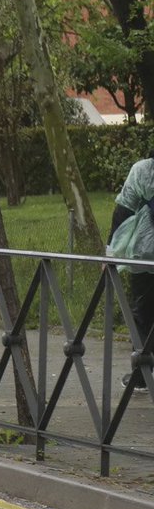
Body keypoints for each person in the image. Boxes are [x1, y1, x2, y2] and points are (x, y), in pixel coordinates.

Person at [106, 149, 154, 393]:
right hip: (145, 259)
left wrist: (110, 252)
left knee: (143, 315)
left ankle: (143, 375)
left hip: (145, 256)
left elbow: (123, 211)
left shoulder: (143, 170)